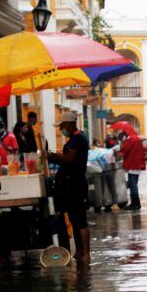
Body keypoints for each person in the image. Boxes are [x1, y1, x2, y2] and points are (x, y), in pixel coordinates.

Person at [48, 111, 91, 261]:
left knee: (80, 220)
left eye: (62, 126)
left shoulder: (78, 139)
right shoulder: (75, 138)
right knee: (74, 220)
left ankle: (85, 253)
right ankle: (79, 251)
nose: (61, 130)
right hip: (71, 185)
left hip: (76, 186)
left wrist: (54, 156)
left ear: (70, 124)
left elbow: (68, 158)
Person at [116, 130, 146, 211]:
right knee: (133, 184)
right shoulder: (136, 138)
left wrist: (118, 150)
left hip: (133, 164)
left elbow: (123, 151)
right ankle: (136, 203)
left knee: (133, 185)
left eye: (121, 139)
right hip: (137, 164)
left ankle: (135, 204)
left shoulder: (130, 140)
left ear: (124, 137)